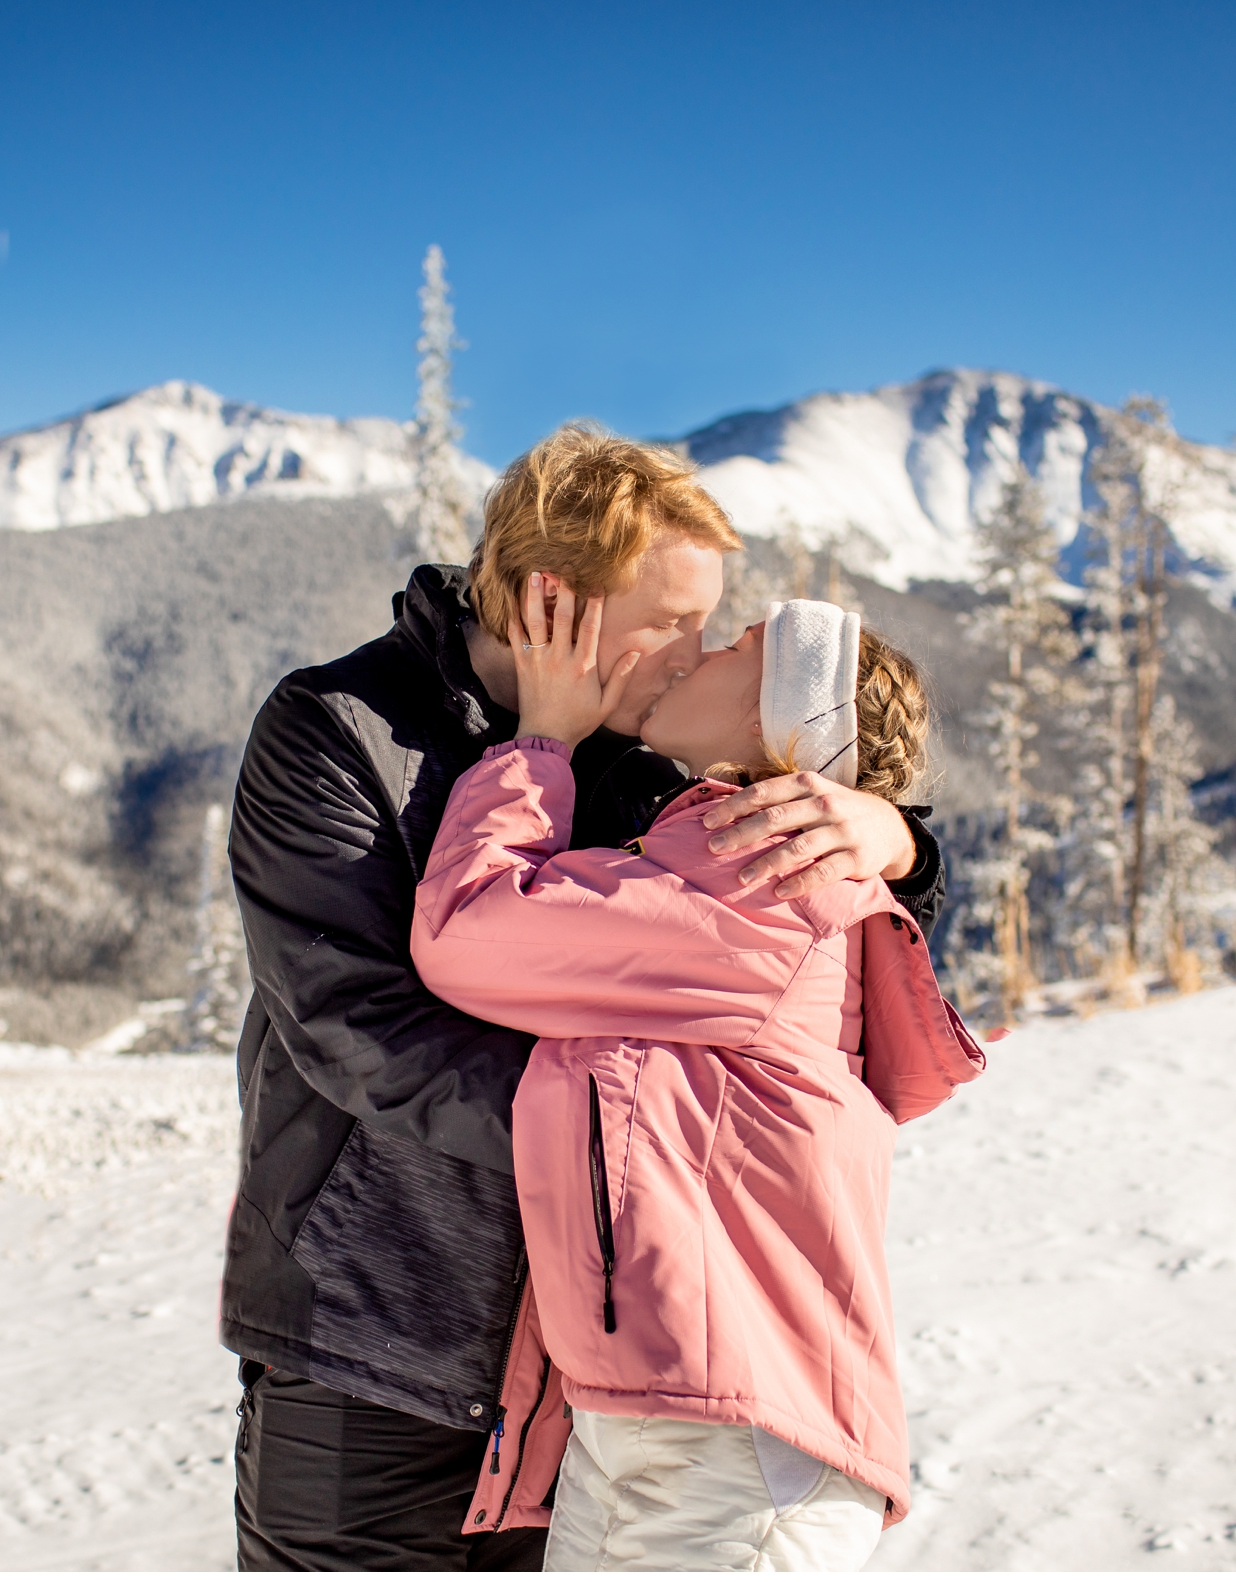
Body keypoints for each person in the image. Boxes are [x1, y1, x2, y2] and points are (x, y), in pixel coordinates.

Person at [222, 424, 949, 1570]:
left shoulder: (644, 762)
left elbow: (779, 932)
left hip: (584, 1380)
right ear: (552, 601)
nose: (689, 652)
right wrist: (627, 1151)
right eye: (671, 621)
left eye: (713, 628)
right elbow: (356, 1031)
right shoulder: (338, 731)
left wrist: (896, 832)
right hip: (374, 1340)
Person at [411, 576, 987, 1571]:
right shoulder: (707, 849)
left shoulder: (757, 872)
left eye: (737, 646)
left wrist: (540, 739)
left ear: (784, 724)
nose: (700, 648)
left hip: (738, 1459)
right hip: (662, 1425)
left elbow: (468, 931)